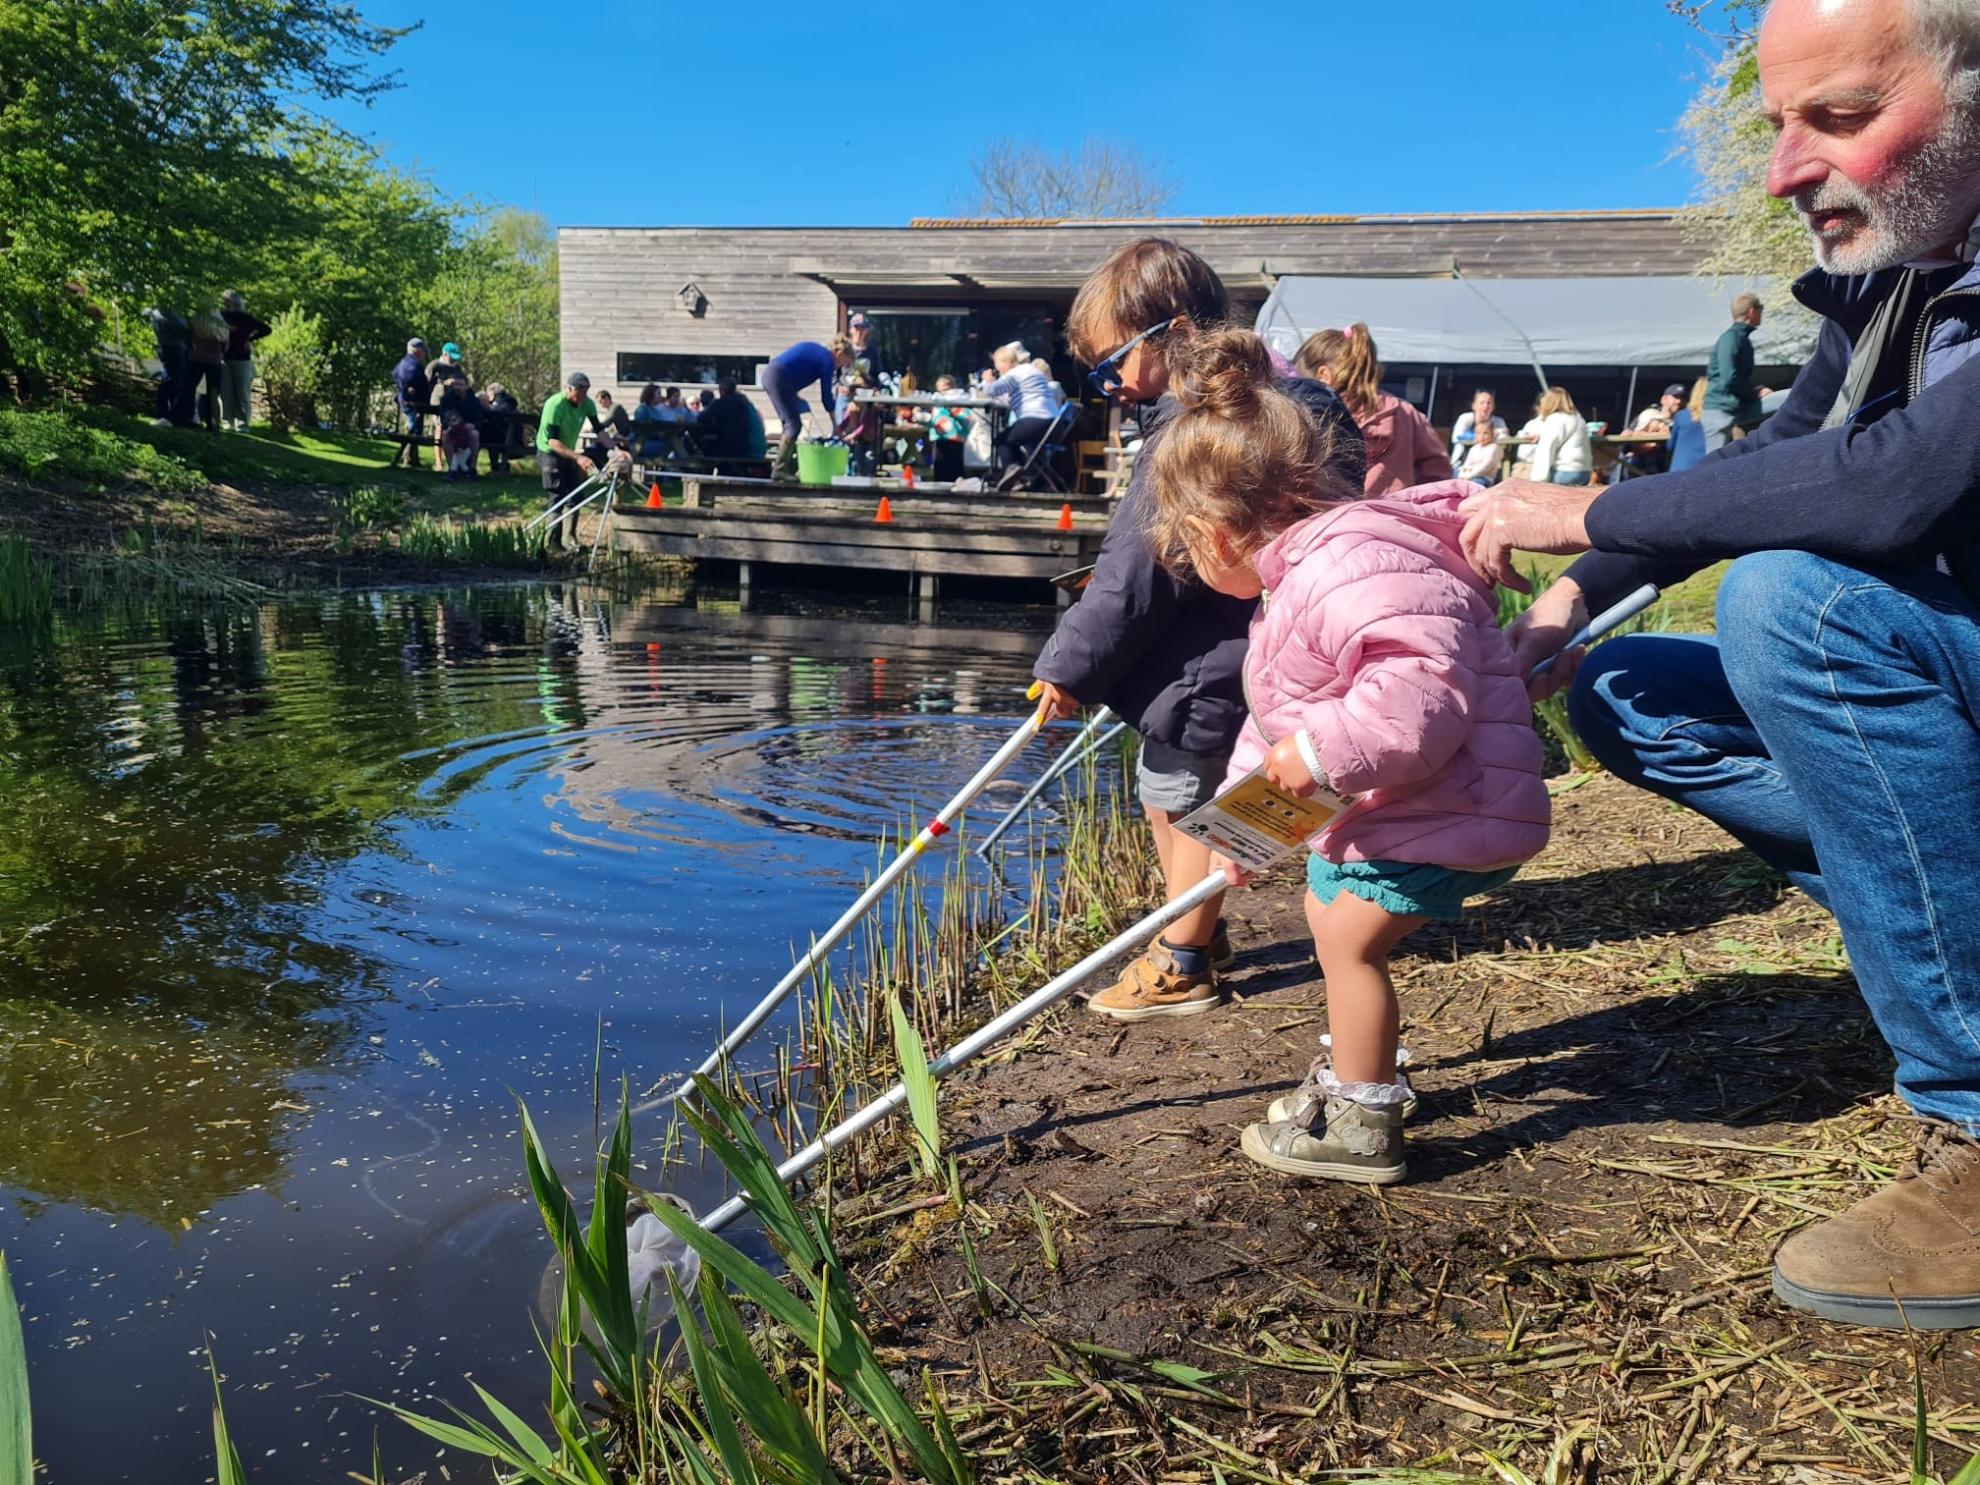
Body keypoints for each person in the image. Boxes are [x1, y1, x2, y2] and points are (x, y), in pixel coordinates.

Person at [1456, 0, 1980, 1331]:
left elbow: (1894, 489)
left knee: (1790, 610)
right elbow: (1770, 460)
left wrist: (1579, 509)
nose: (1787, 170)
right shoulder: (1902, 283)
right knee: (1628, 690)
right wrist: (1565, 604)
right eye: (1778, 126)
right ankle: (1929, 916)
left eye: (1844, 117)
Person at [1146, 329, 1547, 1181]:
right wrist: (1243, 828)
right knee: (1333, 917)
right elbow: (1280, 716)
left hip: (1452, 806)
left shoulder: (1349, 569)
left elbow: (1419, 701)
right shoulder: (1309, 579)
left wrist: (1317, 751)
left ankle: (1362, 1118)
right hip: (1418, 804)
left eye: (1184, 549)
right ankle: (1362, 1074)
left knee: (1343, 940)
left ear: (1219, 533)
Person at [1031, 237, 1365, 1019]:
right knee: (1173, 793)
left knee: (1186, 795)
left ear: (1174, 332)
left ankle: (1183, 960)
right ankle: (1193, 928)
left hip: (1221, 651)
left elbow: (1137, 567)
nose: (1108, 381)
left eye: (1114, 360)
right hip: (1262, 636)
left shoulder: (1200, 426)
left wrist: (1069, 666)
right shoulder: (1297, 400)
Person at [1295, 325, 1451, 493]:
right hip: (1395, 515)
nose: (1295, 386)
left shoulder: (1311, 412)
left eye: (1298, 378)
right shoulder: (1406, 413)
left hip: (1331, 516)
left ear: (1324, 375)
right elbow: (1439, 476)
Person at [762, 336, 853, 481]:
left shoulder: (819, 352)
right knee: (793, 425)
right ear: (840, 354)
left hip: (772, 374)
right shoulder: (828, 361)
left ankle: (789, 469)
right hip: (778, 377)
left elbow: (795, 368)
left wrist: (794, 396)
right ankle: (779, 470)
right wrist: (836, 425)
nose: (840, 367)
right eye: (844, 363)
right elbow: (826, 398)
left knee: (791, 423)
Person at [536, 371, 602, 549]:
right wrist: (579, 457)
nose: (583, 396)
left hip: (569, 452)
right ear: (569, 388)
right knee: (557, 495)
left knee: (576, 493)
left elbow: (600, 431)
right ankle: (553, 542)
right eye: (580, 391)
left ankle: (570, 538)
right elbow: (553, 441)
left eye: (586, 391)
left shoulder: (587, 404)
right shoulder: (555, 404)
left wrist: (617, 449)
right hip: (550, 451)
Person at [984, 342, 1061, 488]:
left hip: (1035, 420)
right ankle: (1031, 481)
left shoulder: (1015, 374)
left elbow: (992, 390)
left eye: (997, 364)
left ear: (1004, 362)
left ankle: (1013, 469)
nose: (997, 369)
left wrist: (988, 380)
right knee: (1032, 449)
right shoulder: (1032, 370)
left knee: (1001, 440)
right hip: (1054, 424)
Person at [1704, 292, 1765, 452]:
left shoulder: (1738, 338)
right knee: (1713, 466)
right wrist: (1753, 394)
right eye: (1761, 310)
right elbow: (1729, 378)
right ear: (1752, 311)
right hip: (1721, 410)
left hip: (1731, 408)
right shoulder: (1731, 338)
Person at [218, 290, 269, 433]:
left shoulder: (247, 319)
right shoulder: (222, 317)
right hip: (224, 357)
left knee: (242, 392)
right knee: (225, 392)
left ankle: (242, 424)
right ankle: (227, 422)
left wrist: (249, 339)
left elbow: (266, 329)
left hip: (242, 359)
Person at [1523, 386, 1594, 485]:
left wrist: (1537, 481)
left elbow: (1546, 450)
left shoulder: (1555, 419)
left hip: (1564, 472)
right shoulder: (1578, 418)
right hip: (1584, 471)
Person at [695, 377, 756, 471]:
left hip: (725, 447)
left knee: (704, 444)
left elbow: (701, 418)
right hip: (742, 446)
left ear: (721, 391)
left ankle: (704, 470)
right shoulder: (742, 404)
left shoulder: (719, 403)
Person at [143, 307, 190, 425]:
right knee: (169, 381)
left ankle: (174, 416)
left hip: (173, 348)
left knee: (175, 382)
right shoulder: (163, 311)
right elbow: (181, 328)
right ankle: (164, 416)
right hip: (172, 348)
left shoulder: (160, 311)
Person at [185, 307, 229, 433]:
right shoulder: (221, 325)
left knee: (189, 388)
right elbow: (226, 345)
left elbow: (188, 338)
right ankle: (213, 423)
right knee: (213, 392)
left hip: (196, 359)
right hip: (214, 361)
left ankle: (187, 417)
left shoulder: (196, 320)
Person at [924, 374, 970, 481]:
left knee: (954, 464)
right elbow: (934, 417)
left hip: (955, 436)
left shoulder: (959, 399)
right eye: (939, 390)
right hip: (940, 435)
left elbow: (965, 417)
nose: (942, 393)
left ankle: (956, 485)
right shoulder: (936, 399)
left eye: (944, 389)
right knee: (940, 464)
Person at [392, 338, 430, 469]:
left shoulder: (404, 363)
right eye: (423, 350)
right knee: (412, 430)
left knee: (414, 430)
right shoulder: (411, 365)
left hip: (411, 403)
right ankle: (407, 459)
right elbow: (411, 382)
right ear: (417, 350)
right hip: (413, 404)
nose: (424, 353)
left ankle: (412, 459)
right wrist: (408, 391)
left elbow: (395, 373)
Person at [436, 373, 484, 476]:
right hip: (452, 429)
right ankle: (452, 469)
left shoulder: (474, 401)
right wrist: (450, 427)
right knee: (445, 434)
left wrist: (472, 425)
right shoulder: (446, 400)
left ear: (466, 386)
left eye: (460, 385)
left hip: (468, 430)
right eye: (455, 384)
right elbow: (443, 419)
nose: (457, 387)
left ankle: (472, 468)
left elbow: (479, 420)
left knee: (474, 434)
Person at [1448, 388, 1508, 467]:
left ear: (1493, 407)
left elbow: (1505, 438)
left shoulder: (1498, 422)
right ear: (1474, 406)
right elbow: (1456, 438)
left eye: (1489, 403)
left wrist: (1499, 433)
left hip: (1488, 465)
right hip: (1462, 463)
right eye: (1482, 403)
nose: (1485, 406)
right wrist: (1483, 435)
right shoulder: (1465, 418)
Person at [1665, 377, 1709, 474]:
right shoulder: (1718, 418)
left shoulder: (1681, 416)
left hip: (1680, 470)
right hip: (1706, 470)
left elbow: (1670, 446)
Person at [481, 383, 520, 473]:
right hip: (506, 435)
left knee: (487, 435)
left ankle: (496, 467)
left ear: (492, 393)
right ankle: (497, 466)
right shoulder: (507, 401)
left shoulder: (503, 402)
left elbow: (497, 413)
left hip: (508, 437)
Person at [1457, 415, 1504, 485]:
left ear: (1492, 434)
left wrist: (1469, 476)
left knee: (1474, 484)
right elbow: (1467, 463)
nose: (1482, 436)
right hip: (1468, 475)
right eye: (1478, 433)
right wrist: (1462, 475)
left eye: (1485, 433)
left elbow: (1486, 466)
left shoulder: (1493, 448)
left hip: (1484, 477)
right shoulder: (1474, 448)